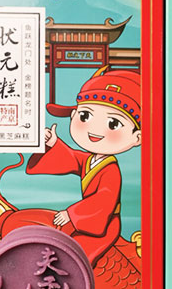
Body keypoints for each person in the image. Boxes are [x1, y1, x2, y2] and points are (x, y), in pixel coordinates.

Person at [20, 66, 142, 266]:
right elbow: (71, 158)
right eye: (85, 116)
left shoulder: (111, 170)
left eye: (113, 124)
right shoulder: (90, 160)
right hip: (83, 219)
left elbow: (104, 199)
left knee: (75, 256)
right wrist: (53, 143)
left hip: (103, 226)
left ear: (137, 137)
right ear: (73, 115)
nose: (95, 130)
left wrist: (72, 214)